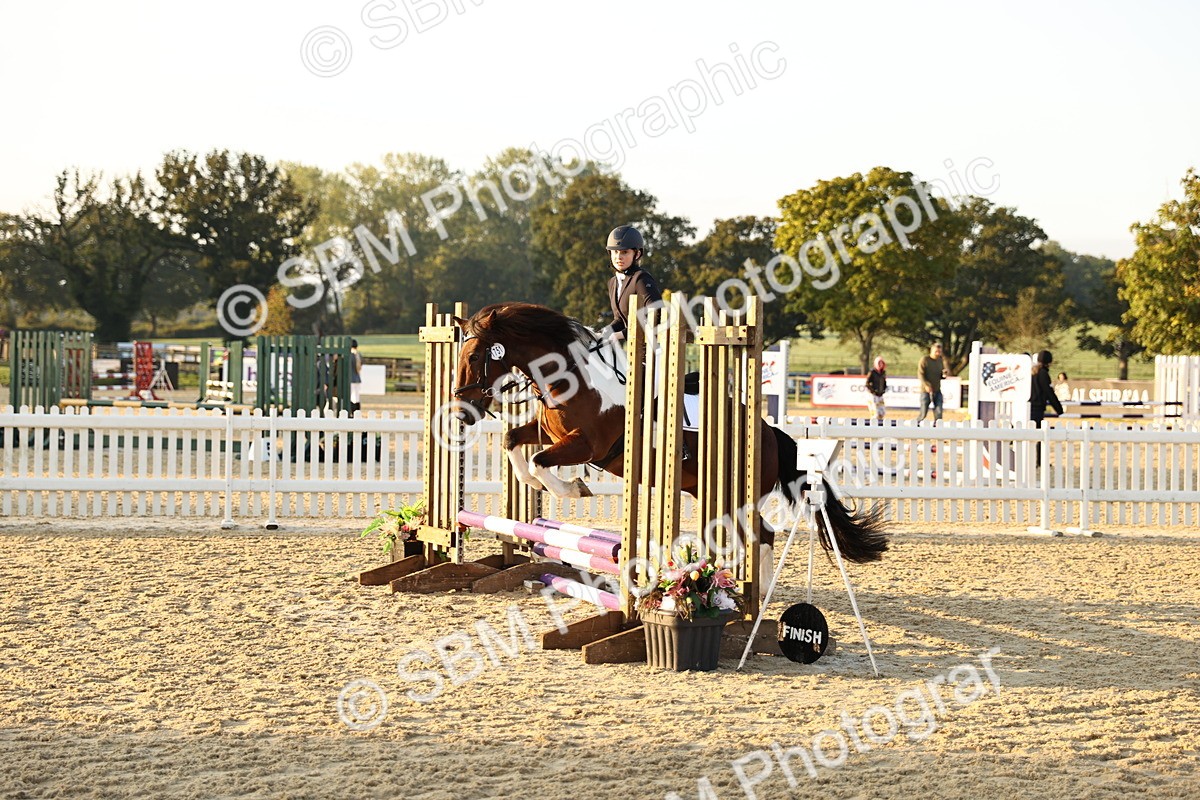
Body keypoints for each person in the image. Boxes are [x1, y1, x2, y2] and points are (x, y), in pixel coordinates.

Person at [606, 225, 663, 344]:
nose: (618, 257)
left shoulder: (641, 278)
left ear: (636, 254)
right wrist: (603, 332)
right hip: (633, 350)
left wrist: (622, 334)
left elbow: (657, 315)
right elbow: (620, 320)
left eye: (624, 252)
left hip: (653, 350)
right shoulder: (613, 282)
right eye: (615, 252)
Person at [1030, 350, 1064, 426]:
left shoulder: (1031, 372)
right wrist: (1059, 409)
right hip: (1037, 408)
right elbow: (1049, 393)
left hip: (1028, 406)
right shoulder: (1043, 374)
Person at [916, 343, 946, 424]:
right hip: (926, 391)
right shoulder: (925, 360)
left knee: (939, 412)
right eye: (936, 351)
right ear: (932, 351)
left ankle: (937, 429)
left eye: (939, 352)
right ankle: (915, 426)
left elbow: (941, 375)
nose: (938, 353)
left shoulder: (940, 360)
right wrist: (926, 385)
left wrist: (944, 375)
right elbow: (920, 374)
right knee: (923, 413)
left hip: (937, 389)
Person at [866, 356, 887, 423]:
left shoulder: (883, 373)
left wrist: (884, 389)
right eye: (879, 363)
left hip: (880, 395)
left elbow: (884, 382)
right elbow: (867, 383)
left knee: (882, 412)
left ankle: (880, 424)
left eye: (882, 363)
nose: (880, 365)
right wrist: (873, 391)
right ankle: (873, 425)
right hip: (873, 395)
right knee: (875, 413)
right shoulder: (872, 372)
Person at [350, 339, 363, 414]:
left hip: (351, 379)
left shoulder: (349, 355)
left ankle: (353, 412)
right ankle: (357, 412)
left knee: (352, 397)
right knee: (357, 397)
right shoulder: (359, 355)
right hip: (357, 379)